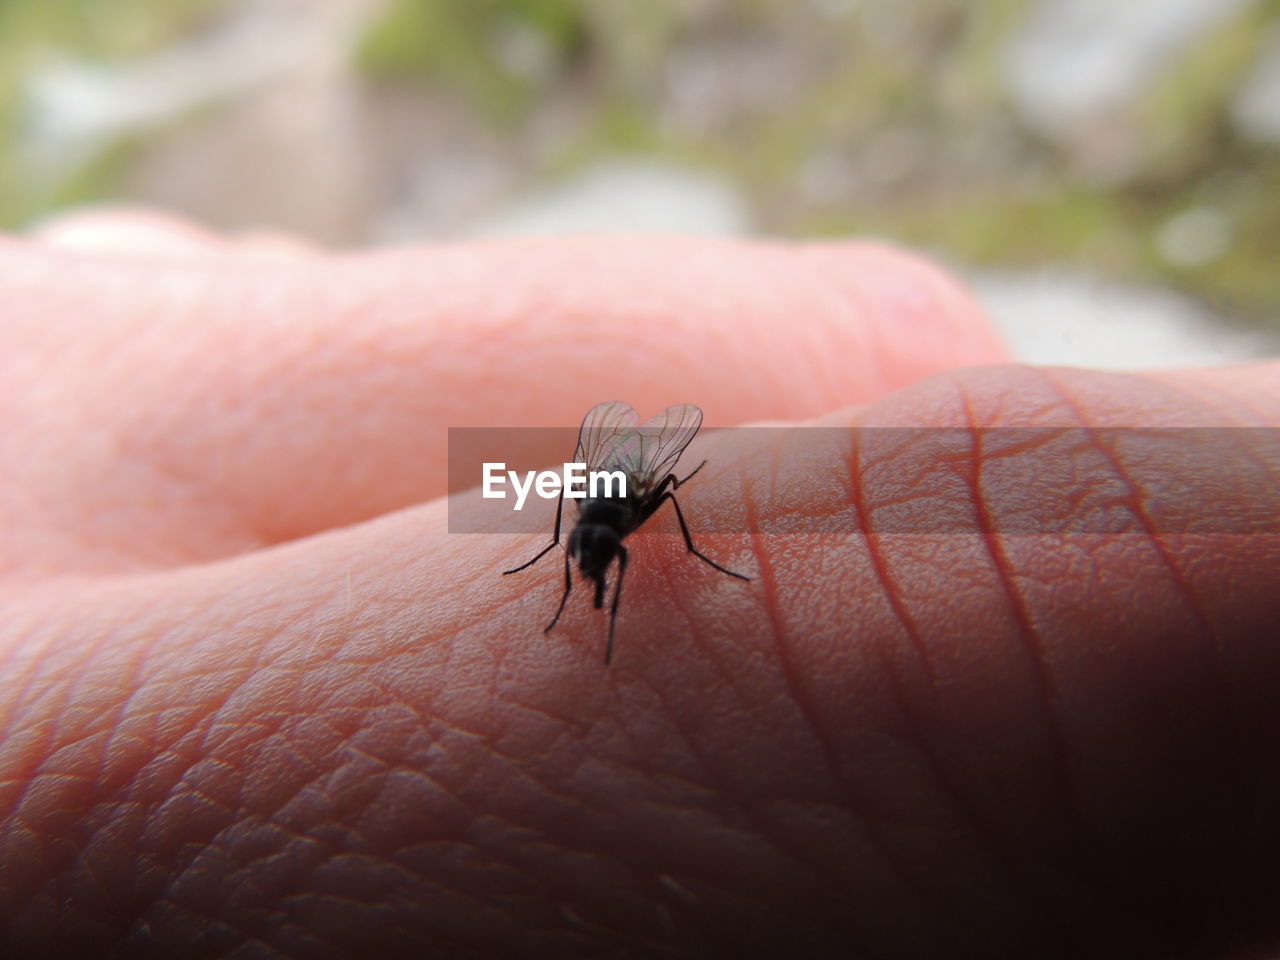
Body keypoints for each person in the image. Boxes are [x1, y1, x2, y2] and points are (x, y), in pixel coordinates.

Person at [2, 209, 1277, 959]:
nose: (591, 568)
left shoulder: (631, 505)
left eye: (588, 562)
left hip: (644, 467)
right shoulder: (584, 524)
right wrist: (563, 555)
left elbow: (632, 476)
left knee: (678, 511)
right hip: (611, 471)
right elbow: (576, 506)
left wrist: (687, 548)